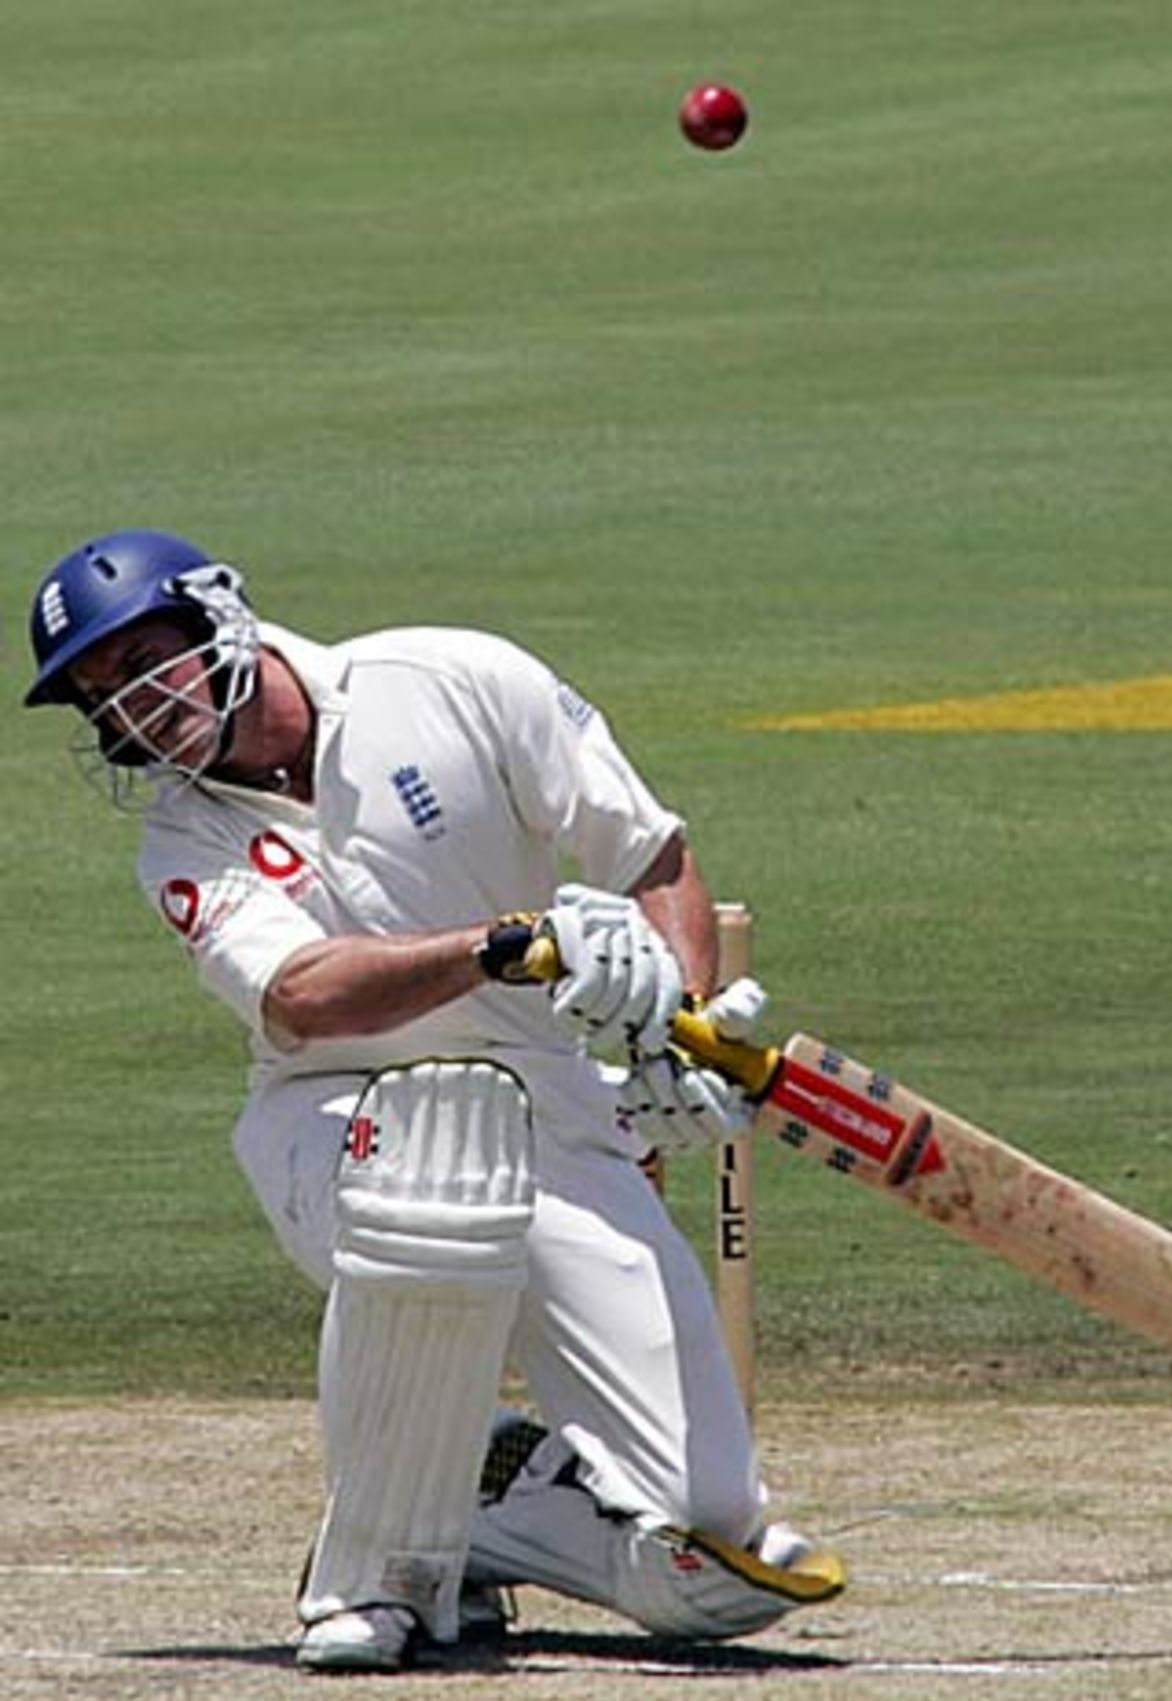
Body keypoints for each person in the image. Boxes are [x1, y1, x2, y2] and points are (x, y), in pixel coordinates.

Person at [24, 528, 844, 1672]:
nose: (133, 708)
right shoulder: (184, 837)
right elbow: (303, 999)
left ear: (221, 615)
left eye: (141, 661)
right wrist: (509, 946)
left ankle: (475, 1494)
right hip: (329, 1118)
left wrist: (677, 1037)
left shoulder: (452, 680)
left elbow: (649, 856)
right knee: (434, 1156)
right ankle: (372, 1575)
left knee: (708, 1541)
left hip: (551, 1115)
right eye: (101, 697)